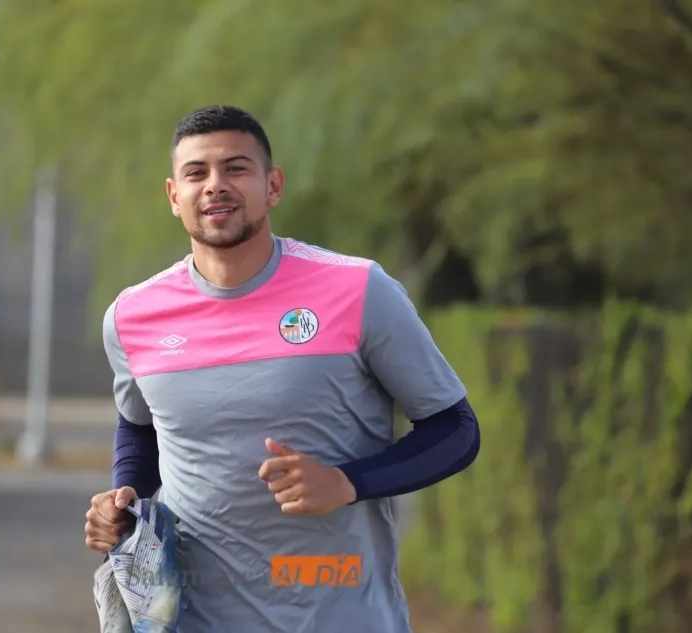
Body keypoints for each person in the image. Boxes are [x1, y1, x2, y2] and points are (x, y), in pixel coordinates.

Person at [84, 104, 481, 633]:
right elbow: (140, 425)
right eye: (196, 173)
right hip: (195, 619)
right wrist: (124, 493)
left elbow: (456, 430)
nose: (215, 185)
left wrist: (347, 482)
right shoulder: (132, 316)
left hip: (341, 613)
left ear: (273, 185)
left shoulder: (358, 291)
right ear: (173, 197)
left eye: (236, 168)